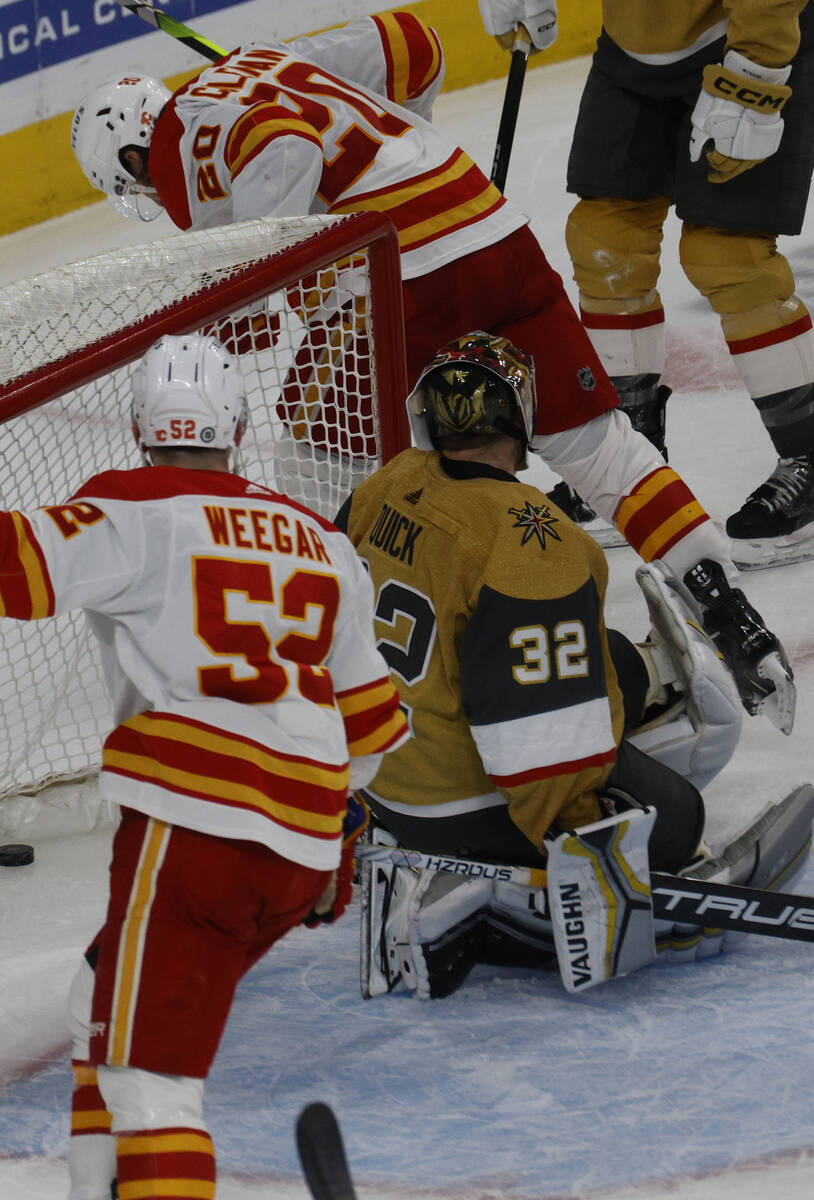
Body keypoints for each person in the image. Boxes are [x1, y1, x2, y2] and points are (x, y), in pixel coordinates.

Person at [69, 8, 796, 735]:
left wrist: (278, 272)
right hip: (487, 223)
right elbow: (412, 44)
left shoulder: (174, 150)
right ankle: (723, 604)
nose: (157, 199)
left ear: (134, 158)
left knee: (314, 464)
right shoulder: (258, 62)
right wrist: (404, 149)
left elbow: (281, 152)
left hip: (402, 278)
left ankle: (341, 677)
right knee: (598, 447)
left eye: (141, 188)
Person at [0, 334, 410, 1200]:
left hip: (195, 825)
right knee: (99, 1002)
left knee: (150, 1080)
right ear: (236, 429)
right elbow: (374, 731)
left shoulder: (133, 507)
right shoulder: (320, 541)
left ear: (139, 429)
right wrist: (334, 830)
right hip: (300, 844)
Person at [336, 331, 814, 998]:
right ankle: (486, 904)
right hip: (452, 807)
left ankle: (646, 681)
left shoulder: (386, 481)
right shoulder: (533, 538)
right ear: (520, 415)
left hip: (376, 778)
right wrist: (584, 840)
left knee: (604, 654)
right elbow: (533, 736)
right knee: (678, 817)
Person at [480, 1, 814, 569]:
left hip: (745, 39)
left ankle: (808, 456)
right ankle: (630, 458)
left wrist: (757, 69)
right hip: (632, 48)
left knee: (728, 256)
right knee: (605, 240)